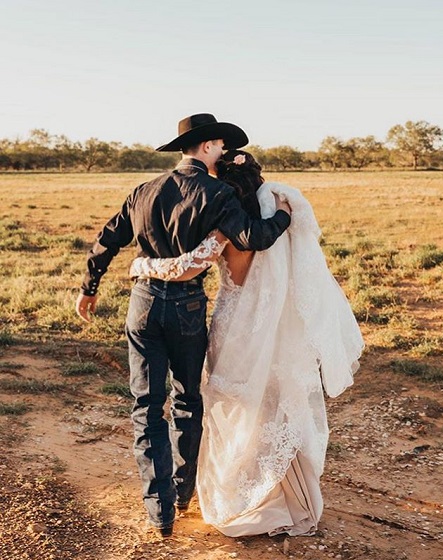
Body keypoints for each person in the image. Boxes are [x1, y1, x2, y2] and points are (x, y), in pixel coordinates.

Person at [75, 114, 292, 537]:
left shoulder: (143, 190)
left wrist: (89, 286)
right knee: (188, 401)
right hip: (187, 309)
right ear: (208, 146)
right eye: (220, 147)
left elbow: (110, 237)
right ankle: (181, 491)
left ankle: (159, 511)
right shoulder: (218, 193)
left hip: (142, 304)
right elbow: (253, 237)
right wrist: (284, 216)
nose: (223, 155)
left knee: (146, 406)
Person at [130, 150, 364, 537]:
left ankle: (238, 494)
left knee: (231, 408)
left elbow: (187, 267)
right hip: (270, 326)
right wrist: (285, 216)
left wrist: (141, 265)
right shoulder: (277, 220)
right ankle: (283, 491)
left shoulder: (224, 228)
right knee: (271, 405)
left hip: (233, 323)